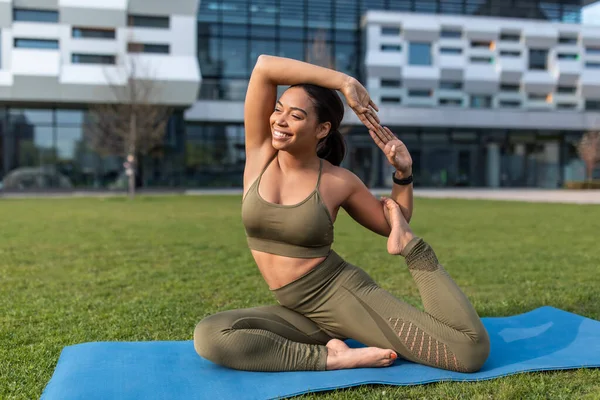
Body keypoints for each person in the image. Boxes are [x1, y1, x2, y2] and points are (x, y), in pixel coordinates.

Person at [194, 55, 490, 372]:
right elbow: (264, 67)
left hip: (341, 296)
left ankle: (416, 252)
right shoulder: (260, 155)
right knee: (211, 335)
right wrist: (343, 81)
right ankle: (332, 357)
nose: (279, 120)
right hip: (297, 309)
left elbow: (392, 220)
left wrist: (403, 175)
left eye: (295, 116)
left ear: (322, 129)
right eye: (278, 109)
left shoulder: (337, 181)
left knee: (469, 351)